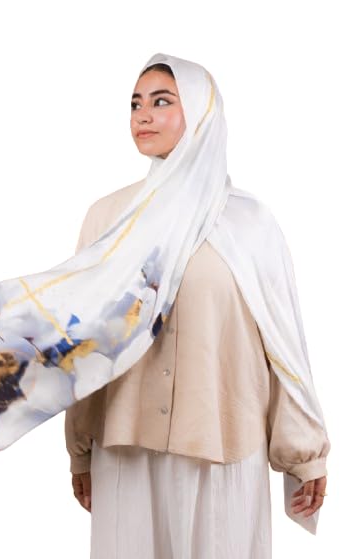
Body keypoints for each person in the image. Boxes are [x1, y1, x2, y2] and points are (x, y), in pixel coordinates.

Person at [65, 56, 330, 558]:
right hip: (126, 448)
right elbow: (83, 343)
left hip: (223, 449)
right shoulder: (108, 218)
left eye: (162, 101)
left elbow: (283, 345)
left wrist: (305, 451)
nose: (142, 115)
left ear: (203, 112)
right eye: (135, 104)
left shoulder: (250, 224)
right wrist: (79, 448)